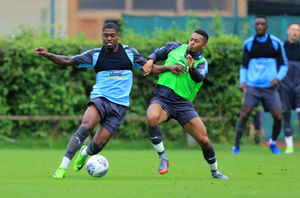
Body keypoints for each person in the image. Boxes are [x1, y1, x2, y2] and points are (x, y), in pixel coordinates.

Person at [35, 22, 183, 179]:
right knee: (86, 126)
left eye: (112, 35)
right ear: (102, 37)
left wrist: (168, 67)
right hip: (100, 99)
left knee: (98, 145)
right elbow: (67, 60)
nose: (109, 39)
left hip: (119, 106)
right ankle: (61, 168)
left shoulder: (130, 53)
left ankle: (85, 153)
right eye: (106, 36)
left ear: (118, 36)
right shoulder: (95, 55)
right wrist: (48, 55)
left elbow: (148, 68)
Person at [143, 29, 228, 179]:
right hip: (162, 98)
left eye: (197, 41)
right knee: (151, 117)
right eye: (191, 39)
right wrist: (150, 60)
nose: (192, 43)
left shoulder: (202, 63)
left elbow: (198, 78)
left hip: (183, 105)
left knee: (204, 140)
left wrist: (192, 68)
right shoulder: (174, 47)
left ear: (204, 45)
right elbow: (157, 53)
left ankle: (215, 172)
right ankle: (163, 157)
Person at [232, 15, 288, 154]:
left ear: (266, 26)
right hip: (252, 86)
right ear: (255, 26)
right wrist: (242, 81)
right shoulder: (249, 43)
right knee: (244, 115)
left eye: (262, 24)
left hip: (270, 87)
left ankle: (273, 143)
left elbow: (284, 65)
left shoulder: (276, 43)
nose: (259, 26)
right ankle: (236, 146)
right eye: (257, 24)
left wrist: (278, 78)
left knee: (278, 117)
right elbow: (244, 66)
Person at [279, 23, 300, 154]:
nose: (295, 32)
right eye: (293, 29)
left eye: (297, 30)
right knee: (286, 115)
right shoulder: (281, 48)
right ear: (288, 31)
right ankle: (289, 146)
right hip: (284, 87)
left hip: (299, 87)